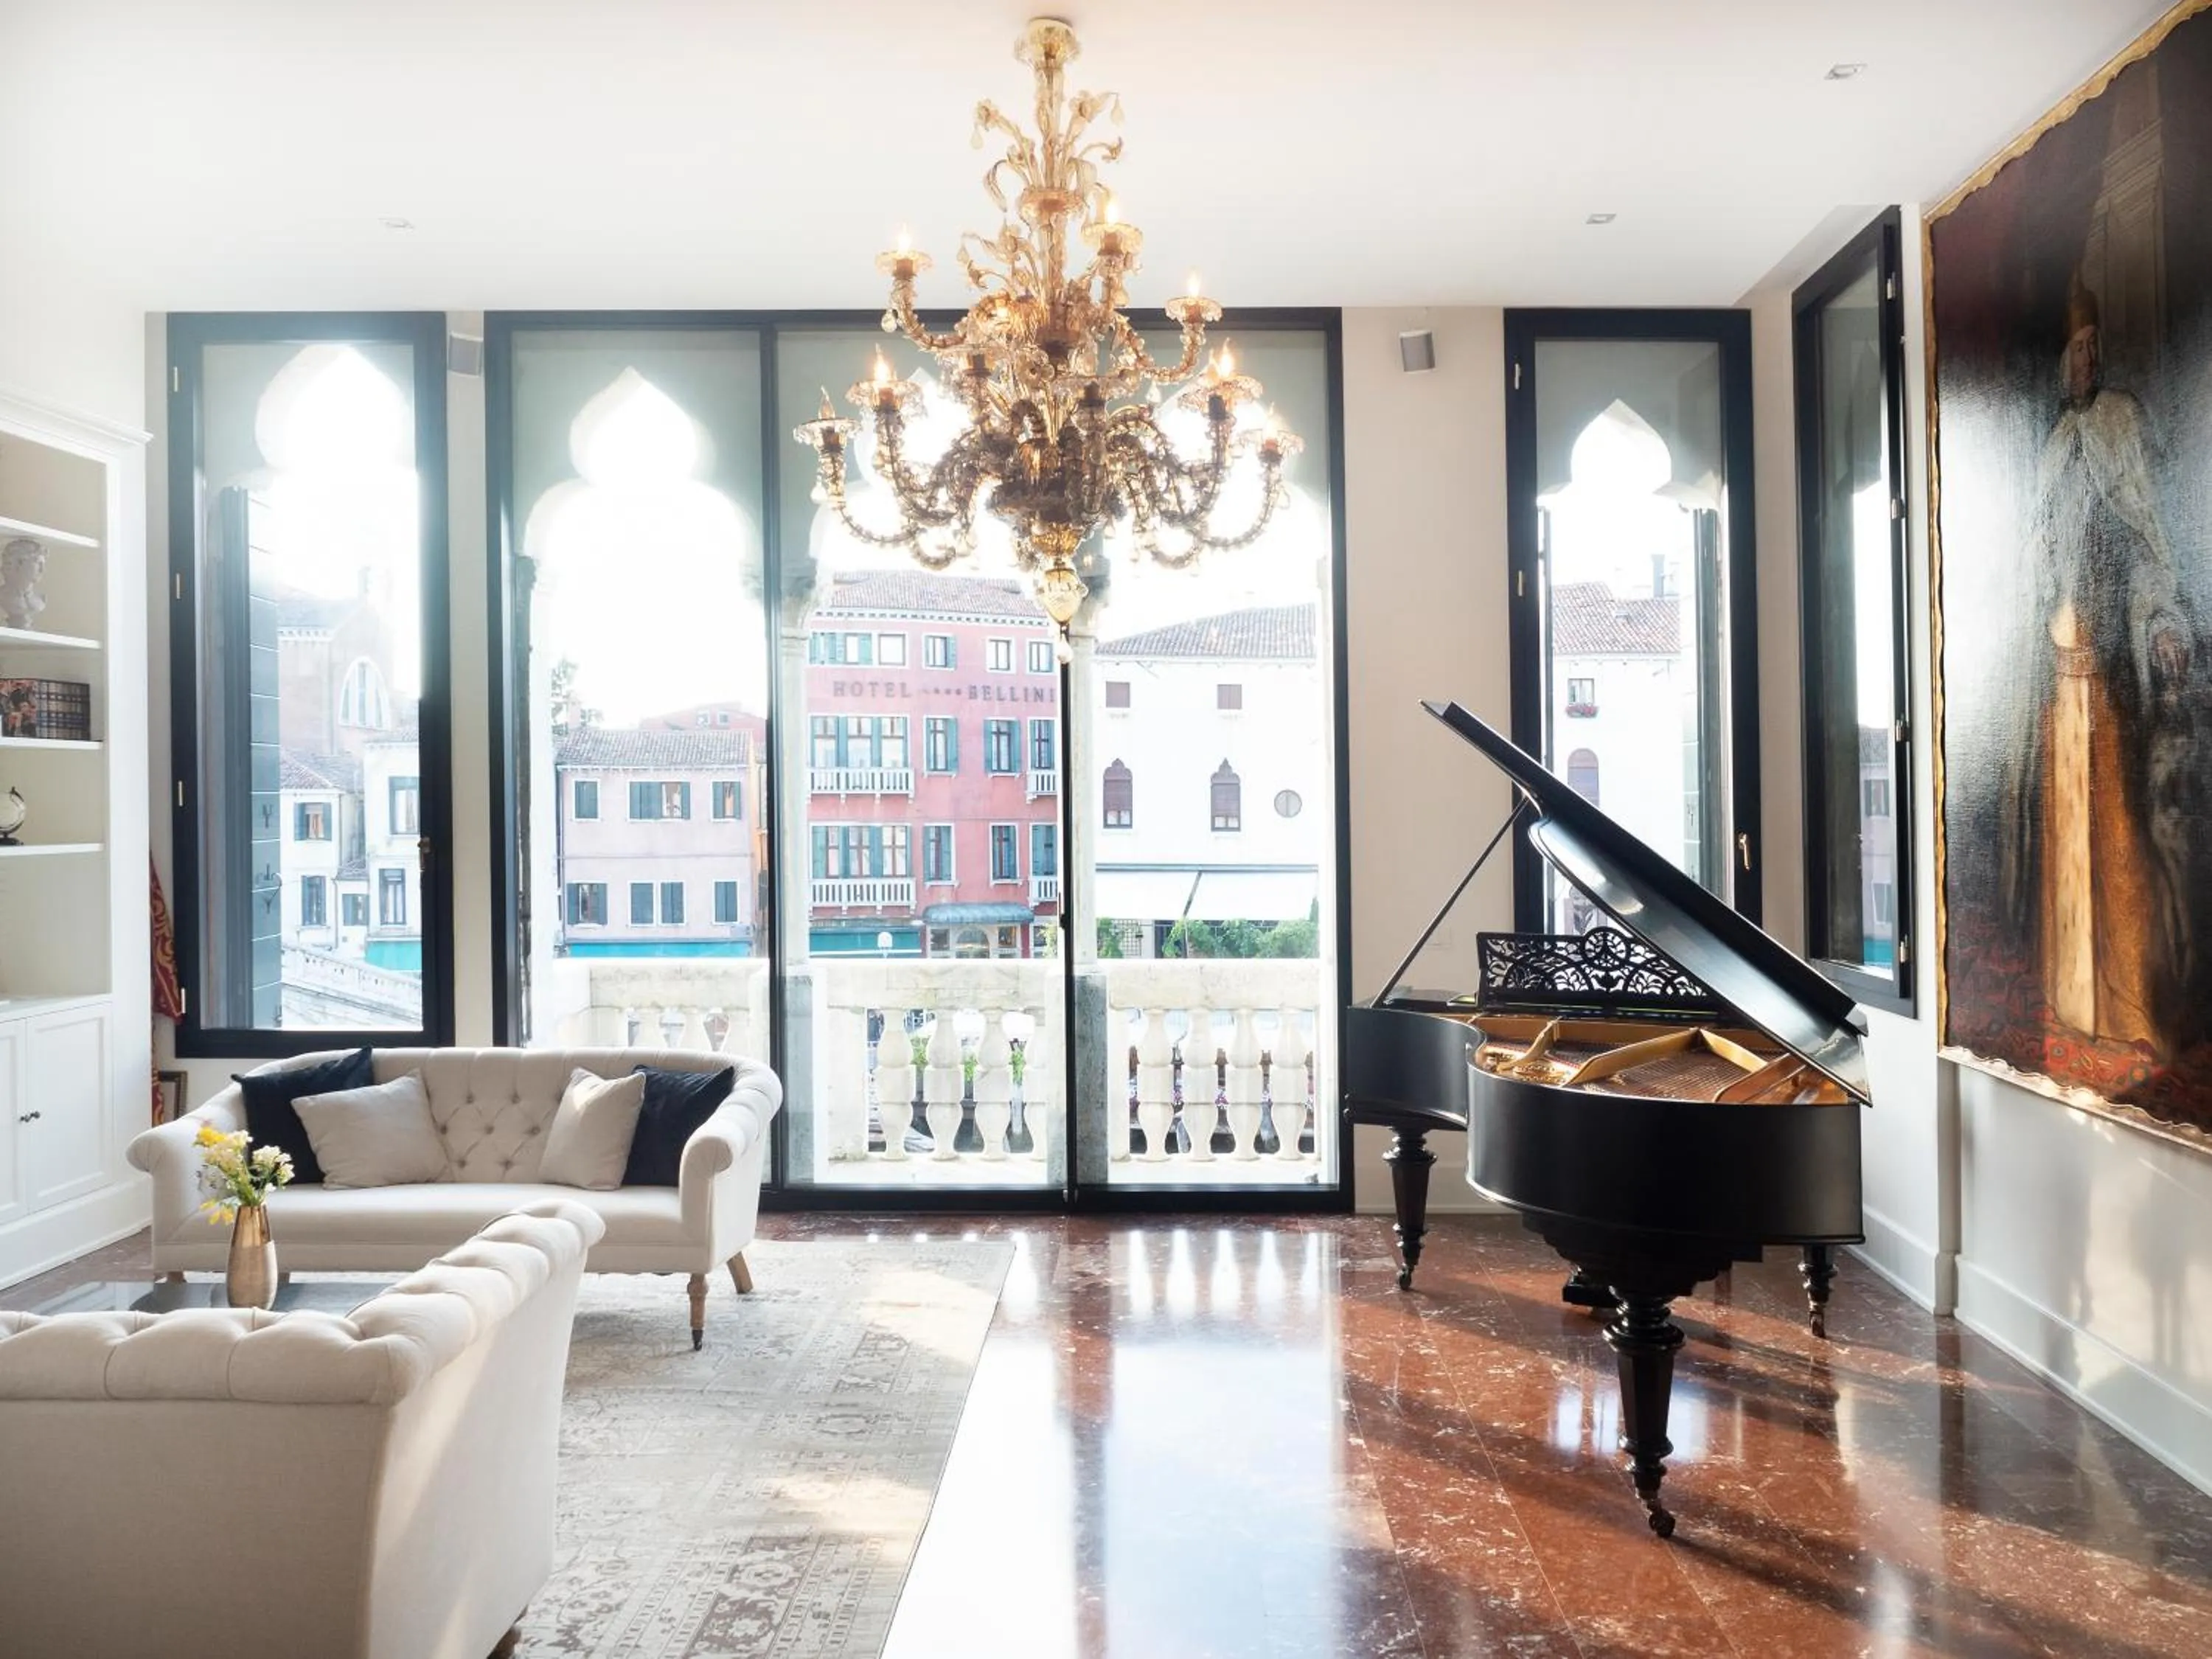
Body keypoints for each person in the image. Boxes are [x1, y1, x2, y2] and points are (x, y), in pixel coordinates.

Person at [1999, 271, 2194, 1054]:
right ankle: (2072, 995)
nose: (2087, 362)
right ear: (2058, 362)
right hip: (2060, 677)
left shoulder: (2122, 424)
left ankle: (2132, 1005)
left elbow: (2155, 543)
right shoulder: (2051, 451)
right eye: (2076, 350)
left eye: (2095, 348)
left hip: (2113, 672)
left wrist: (2165, 623)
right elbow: (2036, 565)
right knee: (2067, 833)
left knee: (2117, 833)